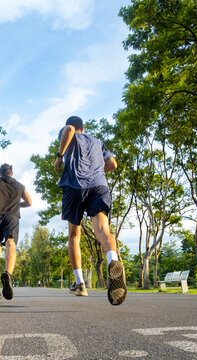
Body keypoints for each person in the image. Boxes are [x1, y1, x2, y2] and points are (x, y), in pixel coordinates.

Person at [53, 115, 126, 306]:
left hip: (75, 186)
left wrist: (59, 156)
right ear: (84, 128)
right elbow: (112, 164)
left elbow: (68, 129)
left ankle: (80, 284)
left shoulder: (69, 133)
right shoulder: (97, 141)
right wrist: (96, 171)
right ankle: (113, 260)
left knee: (73, 235)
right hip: (99, 186)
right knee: (103, 231)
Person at [0, 164, 32, 300]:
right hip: (12, 217)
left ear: (0, 173)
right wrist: (17, 204)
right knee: (11, 243)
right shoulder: (20, 186)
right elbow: (29, 202)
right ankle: (8, 274)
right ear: (12, 173)